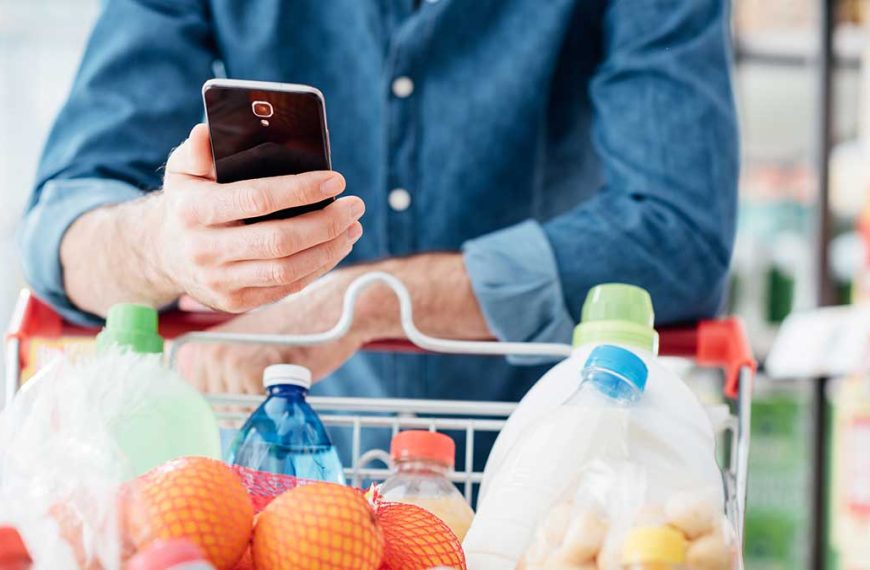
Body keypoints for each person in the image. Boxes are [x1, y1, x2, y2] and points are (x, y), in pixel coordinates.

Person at [20, 1, 737, 465]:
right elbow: (62, 230)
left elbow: (679, 232)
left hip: (551, 478)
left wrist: (363, 304)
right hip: (271, 496)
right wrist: (165, 244)